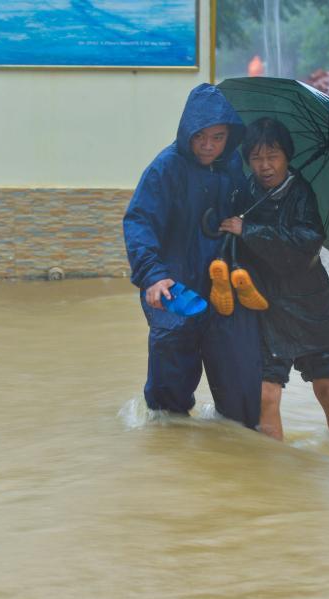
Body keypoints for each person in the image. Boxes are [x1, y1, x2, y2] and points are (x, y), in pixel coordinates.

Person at [123, 83, 261, 428]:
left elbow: (255, 212)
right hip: (175, 284)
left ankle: (234, 443)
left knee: (240, 382)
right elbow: (139, 222)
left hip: (223, 286)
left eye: (218, 137)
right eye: (201, 136)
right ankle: (167, 448)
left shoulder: (234, 169)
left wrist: (251, 225)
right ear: (187, 132)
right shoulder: (165, 169)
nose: (209, 146)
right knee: (170, 390)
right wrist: (152, 276)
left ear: (230, 136)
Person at [218, 117, 329, 441]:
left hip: (309, 305)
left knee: (328, 389)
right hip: (266, 306)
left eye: (273, 156)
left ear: (286, 156)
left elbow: (306, 244)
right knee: (266, 394)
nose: (265, 166)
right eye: (257, 158)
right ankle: (274, 476)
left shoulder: (302, 193)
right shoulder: (245, 194)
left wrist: (249, 230)